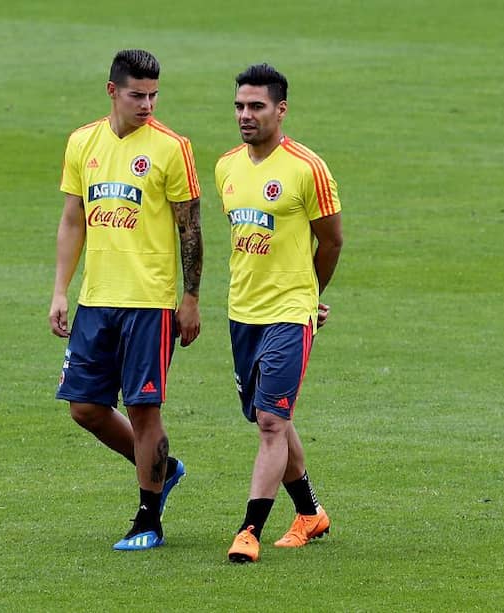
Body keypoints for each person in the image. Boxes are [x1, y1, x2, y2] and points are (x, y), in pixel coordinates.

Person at [48, 49, 203, 551]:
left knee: (143, 411)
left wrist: (191, 298)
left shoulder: (172, 148)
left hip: (150, 304)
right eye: (138, 94)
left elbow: (190, 229)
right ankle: (165, 468)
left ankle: (148, 519)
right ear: (113, 90)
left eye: (154, 94)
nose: (148, 104)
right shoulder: (82, 142)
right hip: (97, 299)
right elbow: (74, 219)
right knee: (85, 408)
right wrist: (60, 291)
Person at [215, 63, 343, 563]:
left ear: (280, 110)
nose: (245, 115)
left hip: (289, 312)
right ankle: (310, 513)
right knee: (275, 417)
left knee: (270, 421)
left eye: (256, 106)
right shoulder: (227, 165)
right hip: (242, 311)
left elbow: (331, 240)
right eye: (239, 106)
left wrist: (309, 297)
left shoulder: (306, 167)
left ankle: (249, 530)